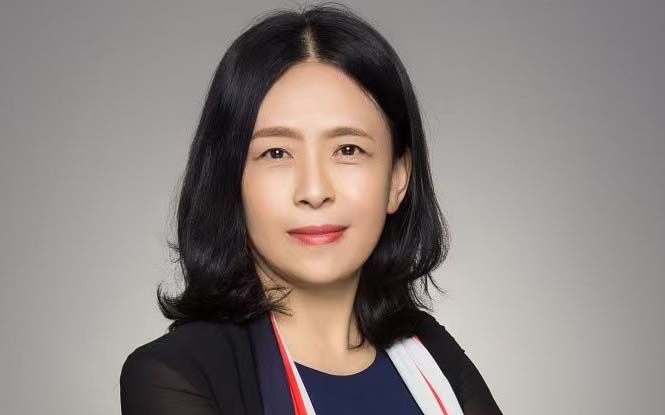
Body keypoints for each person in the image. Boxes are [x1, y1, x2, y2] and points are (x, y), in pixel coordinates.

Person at [119, 3, 503, 414]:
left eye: (348, 149)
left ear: (397, 180)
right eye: (277, 153)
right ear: (231, 180)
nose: (315, 191)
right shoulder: (178, 374)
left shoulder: (432, 354)